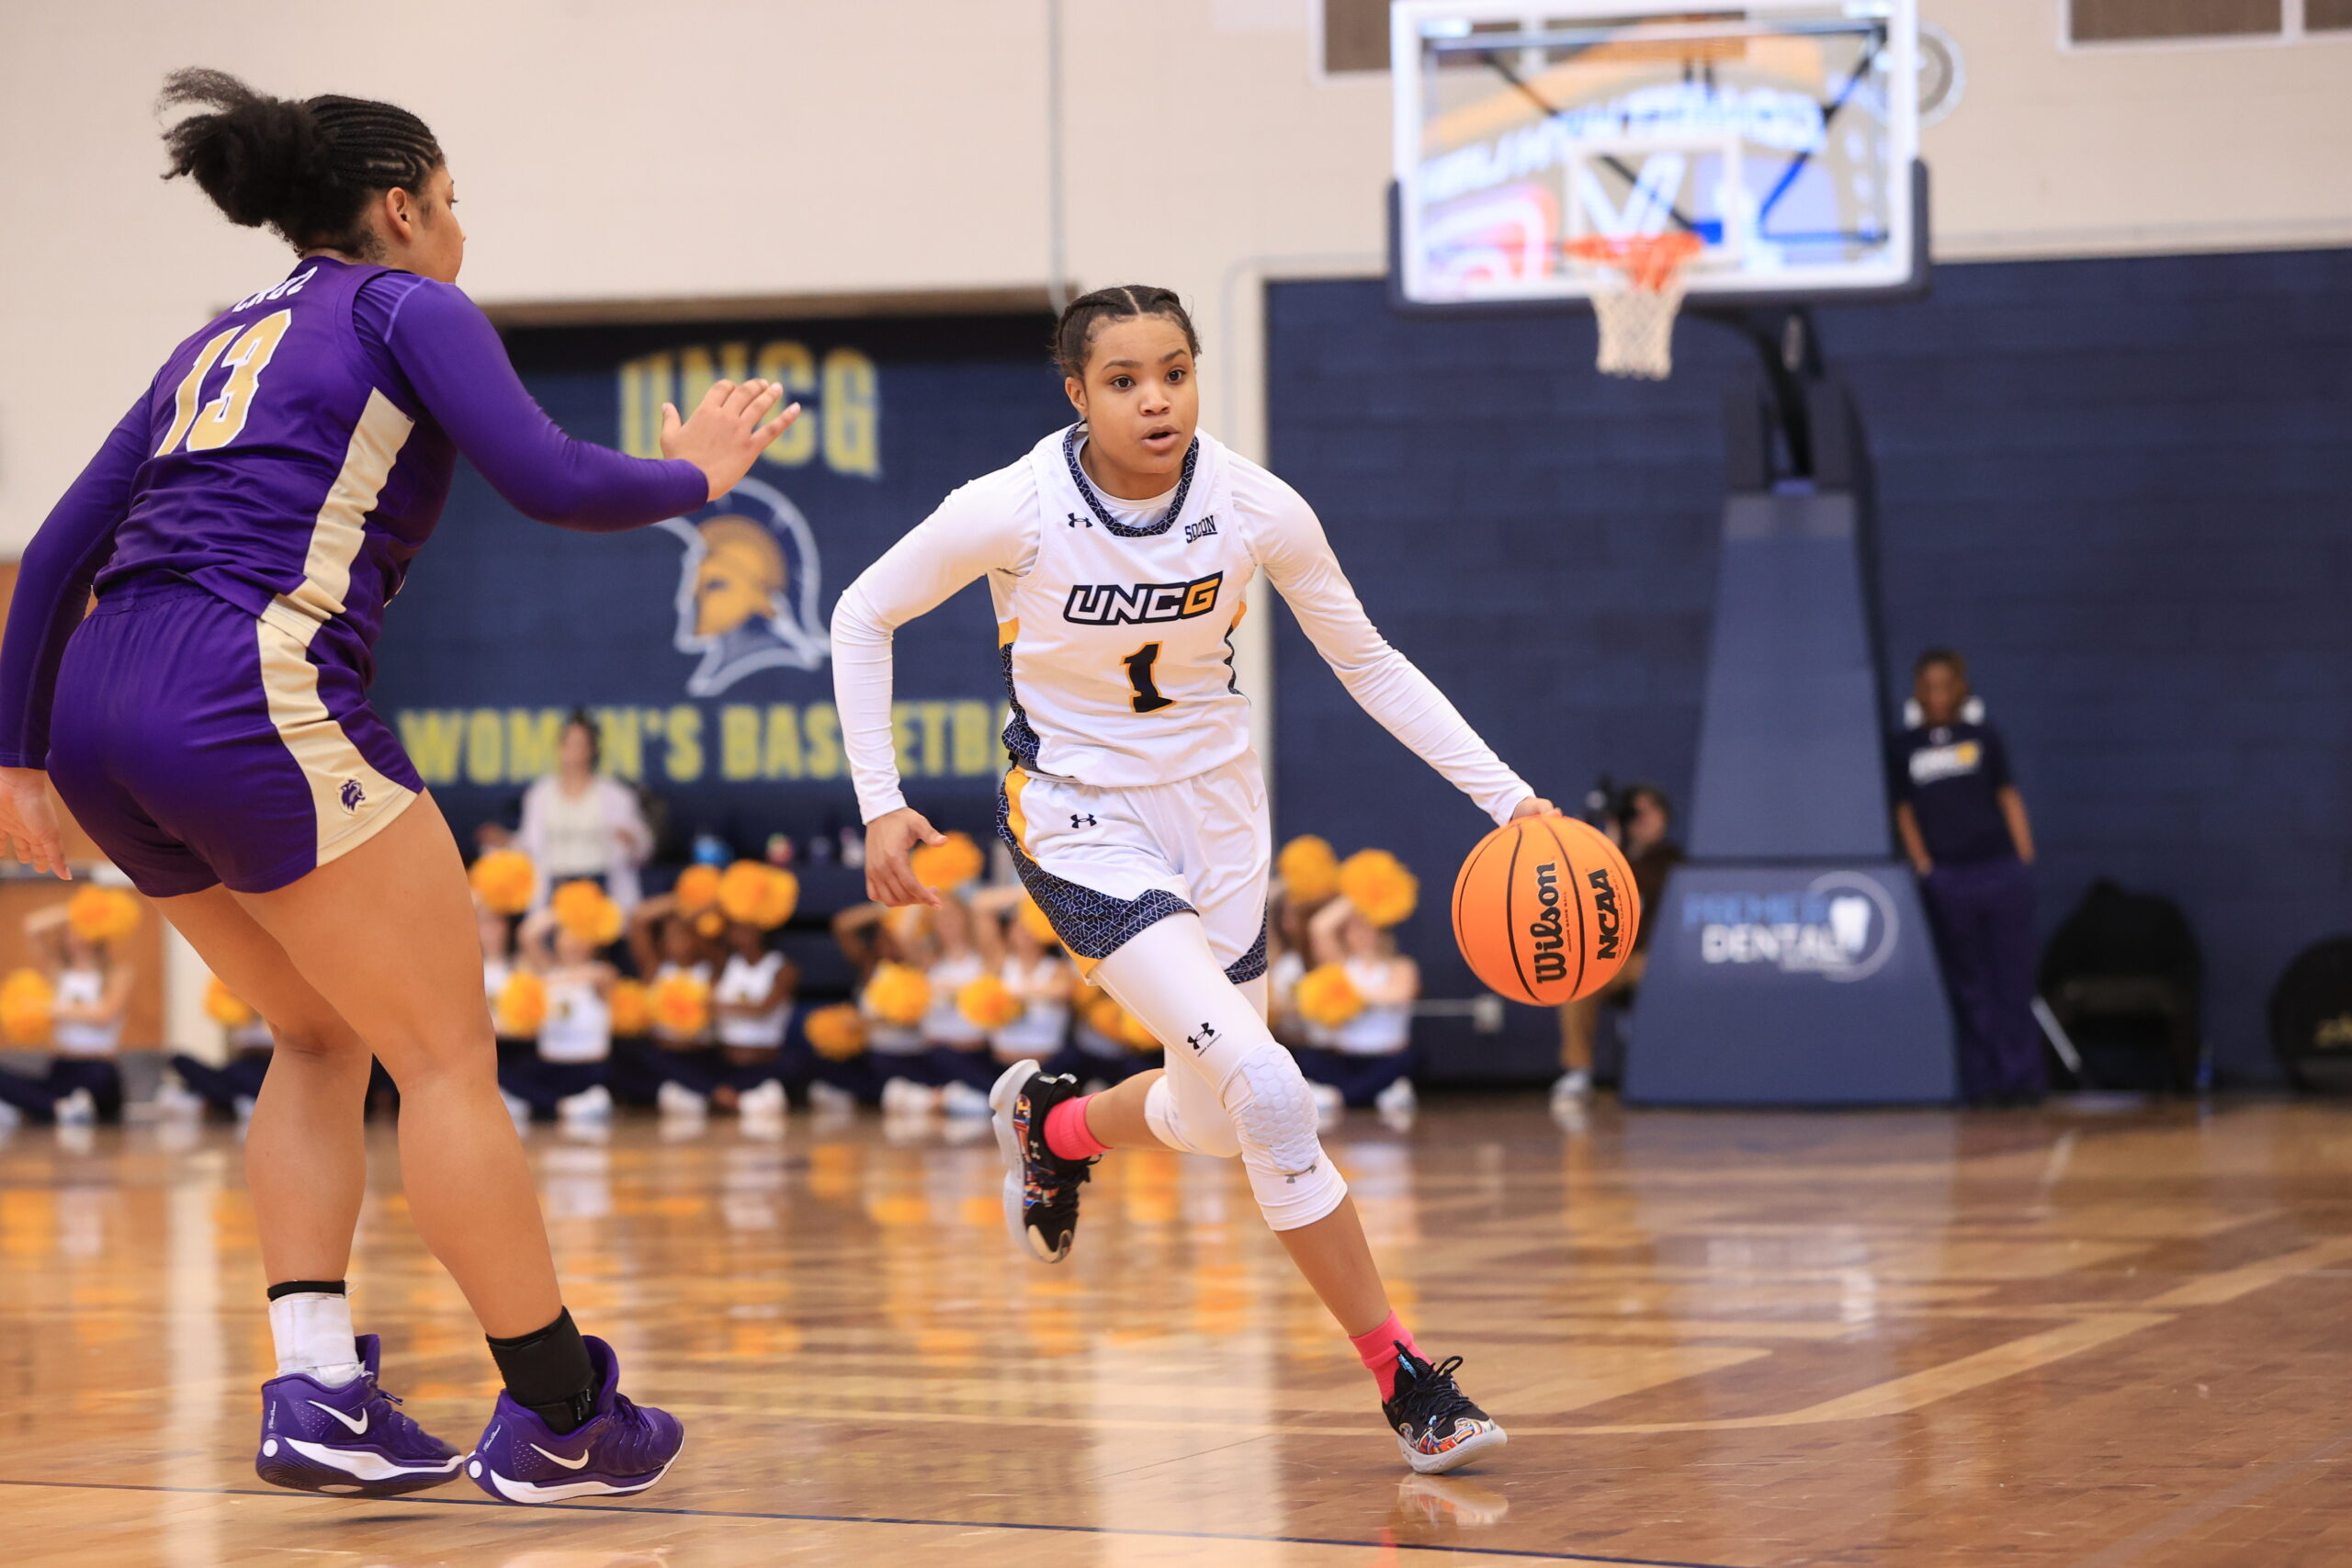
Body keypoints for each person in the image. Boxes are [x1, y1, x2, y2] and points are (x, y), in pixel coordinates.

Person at [0, 72, 794, 1501]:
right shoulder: (406, 305)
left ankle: (316, 1385)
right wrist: (697, 475)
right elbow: (549, 478)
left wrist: (14, 750)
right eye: (452, 201)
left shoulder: (213, 338)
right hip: (241, 687)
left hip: (97, 706)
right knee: (444, 1057)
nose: (460, 228)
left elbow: (55, 547)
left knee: (316, 1037)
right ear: (400, 205)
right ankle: (560, 1410)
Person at [831, 285, 1552, 1474]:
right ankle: (1404, 1373)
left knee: (1216, 1116)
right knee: (1268, 1086)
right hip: (1079, 819)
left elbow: (1368, 661)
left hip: (1221, 821)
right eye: (1123, 378)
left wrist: (1509, 797)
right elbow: (865, 612)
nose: (1155, 396)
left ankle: (1055, 1125)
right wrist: (880, 797)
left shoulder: (1255, 504)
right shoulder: (1013, 507)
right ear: (1078, 393)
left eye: (1175, 369)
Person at [1893, 649, 2043, 1105]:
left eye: (1946, 684)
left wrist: (2022, 855)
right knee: (1969, 982)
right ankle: (1982, 1083)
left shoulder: (1983, 736)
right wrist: (1925, 865)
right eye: (1928, 685)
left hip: (1999, 870)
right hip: (1949, 876)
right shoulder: (1904, 746)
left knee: (2012, 981)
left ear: (1961, 687)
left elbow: (2008, 794)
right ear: (1917, 691)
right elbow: (1903, 810)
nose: (1937, 694)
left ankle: (2021, 1080)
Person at [1554, 784, 1684, 1105]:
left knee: (1646, 971)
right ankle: (1578, 1070)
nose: (1642, 821)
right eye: (1634, 814)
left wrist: (1611, 853)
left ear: (1664, 817)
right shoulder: (1614, 854)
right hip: (1614, 959)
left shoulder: (1673, 860)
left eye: (1648, 813)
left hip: (1655, 959)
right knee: (1577, 984)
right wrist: (1606, 841)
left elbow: (1642, 883)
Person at [0, 903, 133, 1126]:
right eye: (71, 930)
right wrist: (77, 911)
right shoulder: (59, 972)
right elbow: (32, 927)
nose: (76, 936)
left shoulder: (117, 973)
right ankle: (60, 1108)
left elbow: (103, 1016)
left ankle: (52, 1107)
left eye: (81, 929)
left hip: (98, 1068)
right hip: (63, 1066)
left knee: (99, 1084)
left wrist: (49, 1008)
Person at [1297, 894, 1420, 1121]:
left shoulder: (1400, 966)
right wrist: (1359, 894)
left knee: (1408, 1060)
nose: (1363, 934)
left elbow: (1399, 995)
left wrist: (1347, 994)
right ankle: (1377, 1094)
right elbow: (1319, 926)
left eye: (1369, 927)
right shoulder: (1340, 965)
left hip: (1386, 1057)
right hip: (1346, 1058)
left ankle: (1340, 1097)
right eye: (1356, 928)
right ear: (1345, 934)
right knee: (1308, 1057)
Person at [515, 713, 653, 913]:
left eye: (580, 744)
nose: (574, 752)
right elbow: (529, 845)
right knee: (531, 934)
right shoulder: (540, 794)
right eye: (568, 744)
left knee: (575, 940)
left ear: (593, 749)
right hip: (555, 888)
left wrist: (631, 841)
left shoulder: (615, 795)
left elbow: (642, 848)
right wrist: (504, 841)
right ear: (559, 748)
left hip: (601, 890)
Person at [498, 908, 617, 1124]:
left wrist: (538, 984)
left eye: (581, 936)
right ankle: (563, 1106)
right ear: (557, 939)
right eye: (568, 935)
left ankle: (549, 1103)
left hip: (588, 1066)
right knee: (498, 1070)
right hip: (552, 1063)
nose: (574, 943)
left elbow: (587, 977)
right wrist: (564, 910)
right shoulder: (548, 971)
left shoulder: (603, 973)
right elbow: (527, 935)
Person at [709, 917, 797, 1117]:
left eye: (747, 929)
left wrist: (715, 1006)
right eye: (735, 929)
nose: (741, 936)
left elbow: (762, 1010)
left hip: (766, 1060)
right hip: (727, 1061)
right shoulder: (723, 964)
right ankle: (728, 1095)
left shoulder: (783, 968)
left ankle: (738, 1097)